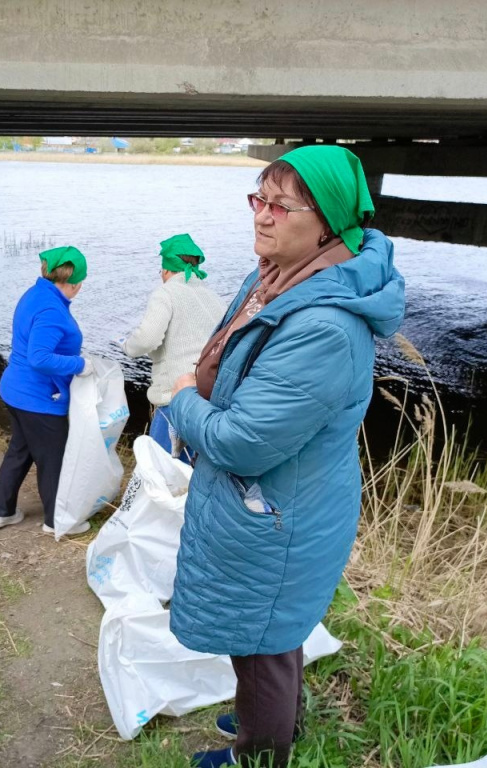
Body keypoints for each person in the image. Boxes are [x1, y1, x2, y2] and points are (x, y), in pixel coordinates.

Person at [167, 146, 405, 768]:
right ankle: (266, 713)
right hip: (273, 502)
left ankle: (261, 751)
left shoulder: (323, 327)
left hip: (279, 514)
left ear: (326, 221)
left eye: (282, 205)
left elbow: (243, 440)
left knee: (264, 640)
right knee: (269, 633)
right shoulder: (275, 276)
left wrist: (182, 402)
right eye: (258, 199)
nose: (262, 217)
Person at [0, 245, 93, 536]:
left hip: (15, 390)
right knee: (53, 459)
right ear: (73, 282)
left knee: (20, 450)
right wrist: (80, 364)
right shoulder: (52, 311)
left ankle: (1, 511)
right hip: (39, 399)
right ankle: (56, 521)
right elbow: (40, 357)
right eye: (81, 282)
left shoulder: (35, 294)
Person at [121, 233, 226, 462]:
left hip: (175, 402)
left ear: (166, 270)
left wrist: (128, 347)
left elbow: (147, 338)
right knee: (193, 475)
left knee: (162, 475)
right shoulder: (214, 298)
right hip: (208, 403)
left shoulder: (166, 292)